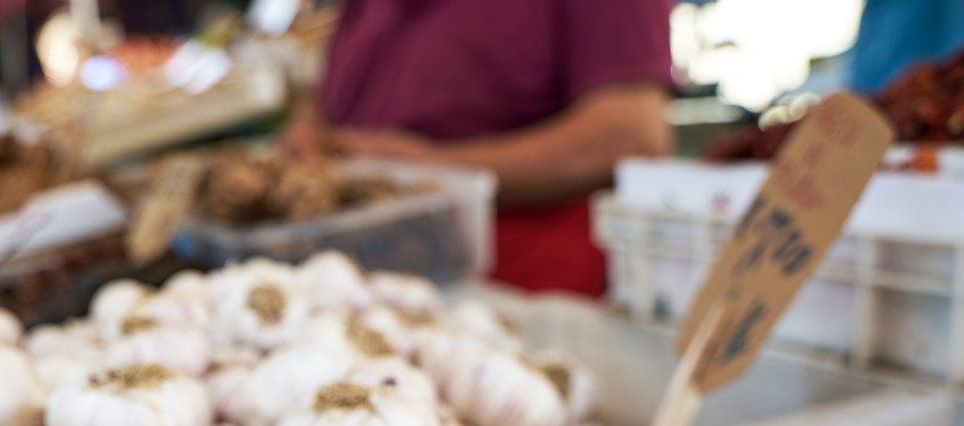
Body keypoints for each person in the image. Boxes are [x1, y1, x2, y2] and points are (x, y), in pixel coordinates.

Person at [284, 0, 675, 297]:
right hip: (361, 284)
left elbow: (632, 134)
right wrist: (309, 131)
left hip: (515, 298)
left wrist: (431, 171)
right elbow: (324, 97)